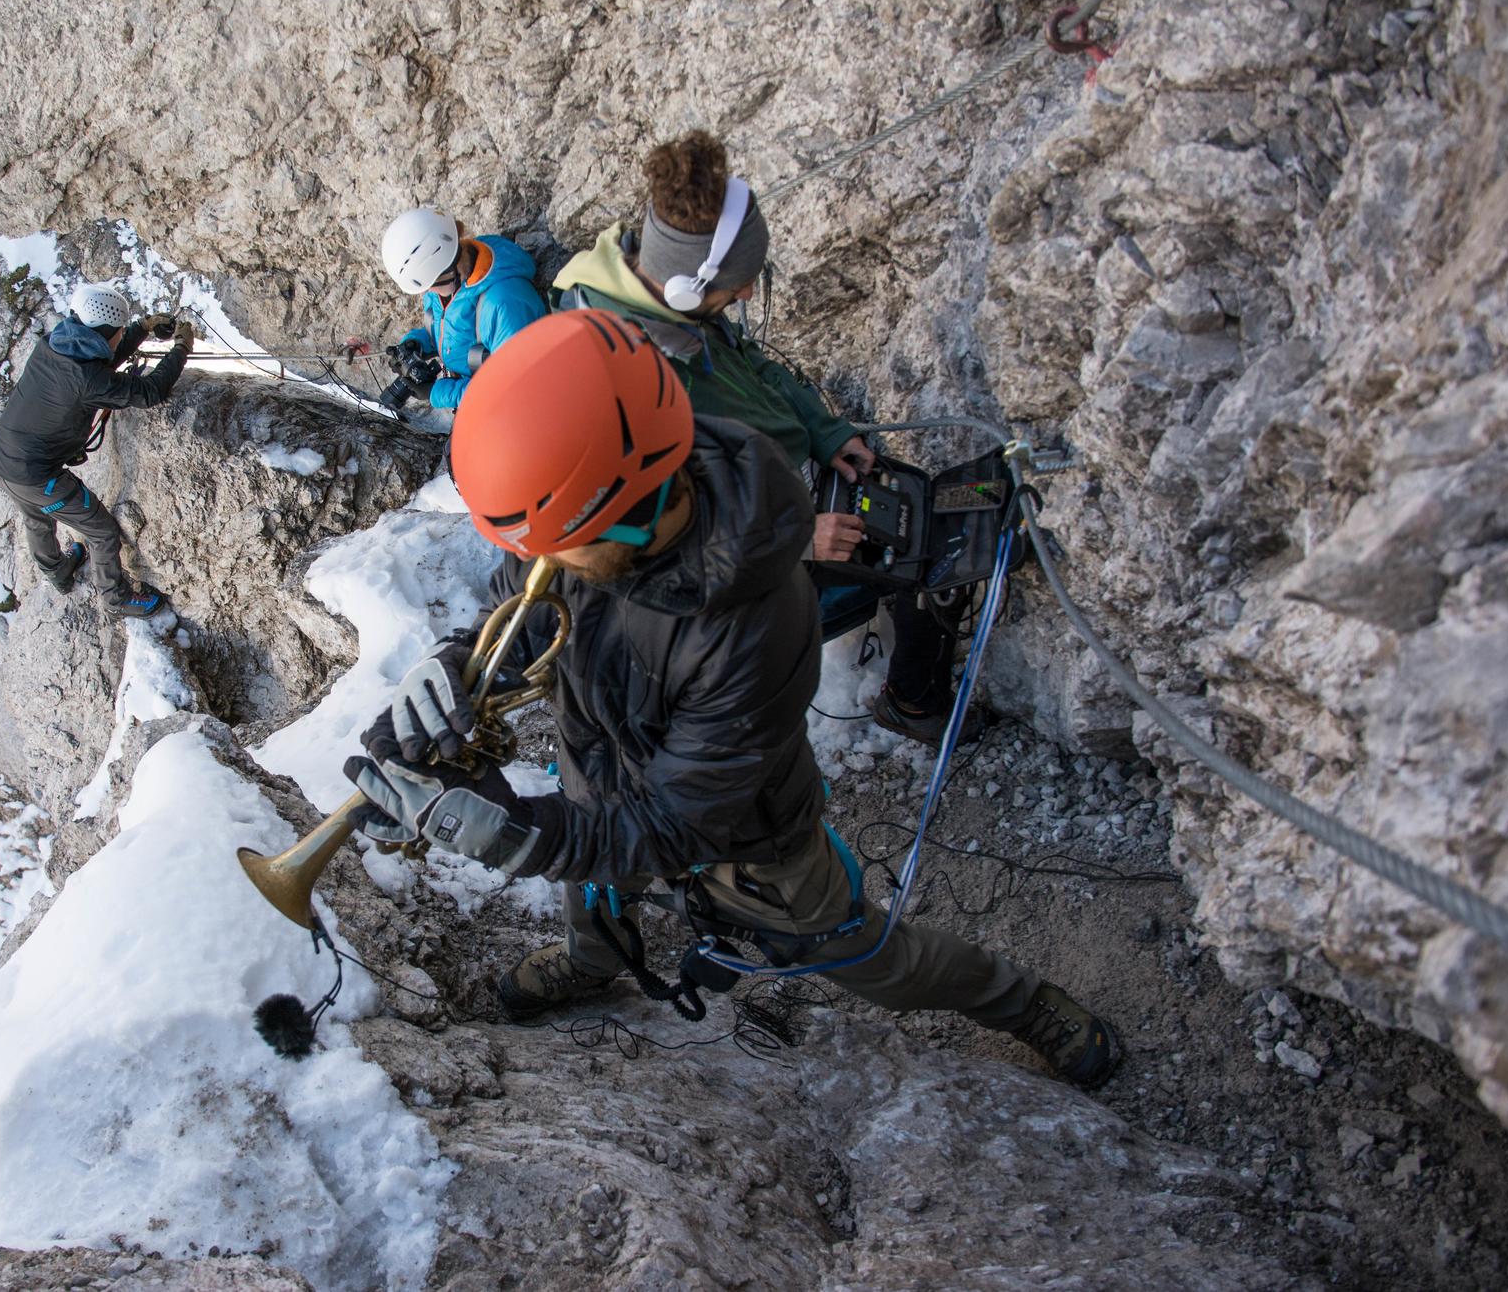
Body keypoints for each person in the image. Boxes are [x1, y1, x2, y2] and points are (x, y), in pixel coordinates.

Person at [342, 310, 1121, 1088]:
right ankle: (594, 959)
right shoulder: (596, 511)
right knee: (596, 890)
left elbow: (677, 825)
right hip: (602, 781)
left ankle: (1020, 1002)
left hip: (747, 837)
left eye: (555, 545)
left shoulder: (758, 622)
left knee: (864, 953)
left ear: (635, 508)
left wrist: (520, 838)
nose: (540, 563)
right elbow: (529, 612)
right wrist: (452, 680)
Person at [554, 132, 972, 746]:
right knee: (933, 561)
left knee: (918, 513)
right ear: (687, 287)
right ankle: (914, 704)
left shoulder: (671, 303)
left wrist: (826, 433)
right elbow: (663, 546)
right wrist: (801, 541)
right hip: (755, 548)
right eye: (738, 284)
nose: (747, 293)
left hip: (787, 486)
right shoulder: (623, 383)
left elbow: (756, 366)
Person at [0, 282, 191, 618]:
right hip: (38, 476)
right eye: (120, 332)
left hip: (5, 459)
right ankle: (116, 598)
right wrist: (182, 348)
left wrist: (141, 330)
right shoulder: (86, 380)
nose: (118, 338)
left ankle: (58, 572)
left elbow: (99, 362)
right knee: (101, 530)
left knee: (36, 518)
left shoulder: (56, 344)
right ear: (108, 332)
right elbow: (150, 391)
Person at [376, 207, 548, 410]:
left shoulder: (505, 303)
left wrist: (437, 392)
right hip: (476, 403)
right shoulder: (450, 287)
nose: (425, 293)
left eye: (430, 283)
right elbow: (454, 329)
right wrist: (417, 344)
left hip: (511, 413)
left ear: (449, 268)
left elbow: (513, 388)